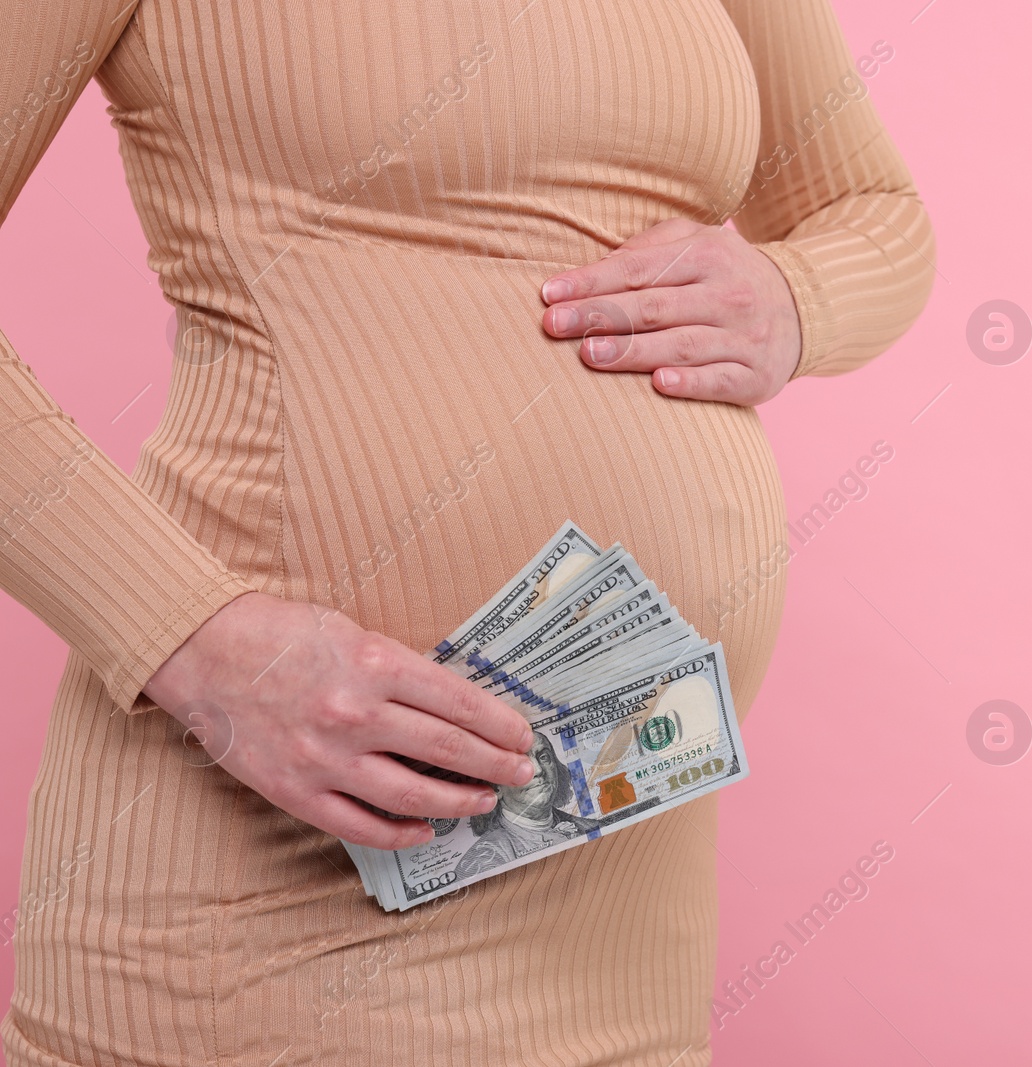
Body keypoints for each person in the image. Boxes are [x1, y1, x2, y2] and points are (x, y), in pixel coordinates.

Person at [0, 1, 935, 1064]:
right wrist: (196, 639)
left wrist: (794, 292)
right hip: (267, 879)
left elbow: (871, 208)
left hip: (624, 892)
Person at [455, 731, 600, 880]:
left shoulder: (594, 828)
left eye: (544, 757)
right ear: (496, 787)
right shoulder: (482, 861)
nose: (538, 770)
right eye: (520, 765)